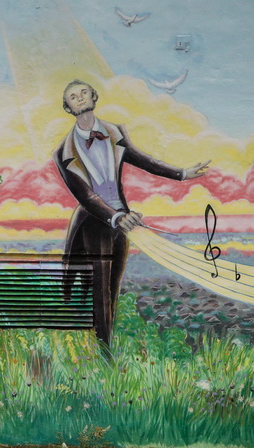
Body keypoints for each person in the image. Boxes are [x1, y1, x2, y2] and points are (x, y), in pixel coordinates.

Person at [52, 79, 209, 349]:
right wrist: (116, 217)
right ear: (67, 107)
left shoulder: (115, 133)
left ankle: (104, 343)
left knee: (113, 285)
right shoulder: (63, 153)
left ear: (94, 97)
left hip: (122, 223)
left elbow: (144, 160)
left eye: (83, 93)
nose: (79, 98)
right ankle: (104, 352)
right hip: (94, 223)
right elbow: (86, 196)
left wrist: (182, 174)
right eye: (73, 97)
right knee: (99, 290)